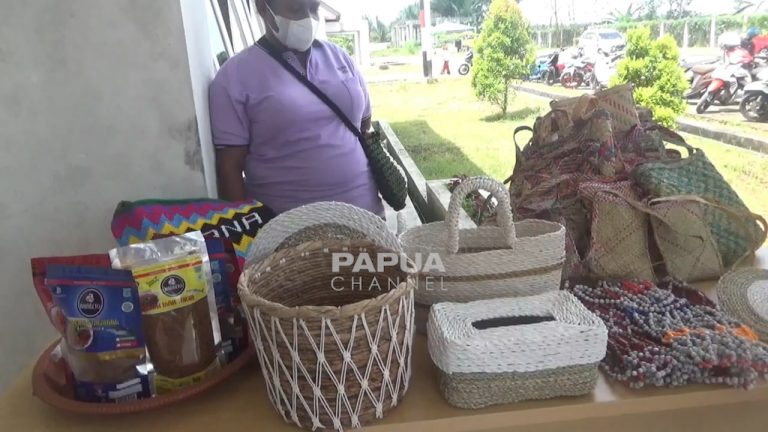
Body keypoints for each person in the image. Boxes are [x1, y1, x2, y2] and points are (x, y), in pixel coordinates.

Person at [209, 0, 384, 217]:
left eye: (313, 8)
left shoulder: (339, 58)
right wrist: (240, 236)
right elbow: (230, 169)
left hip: (366, 217)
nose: (307, 18)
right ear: (263, 8)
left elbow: (363, 123)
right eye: (295, 8)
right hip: (289, 232)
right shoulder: (234, 77)